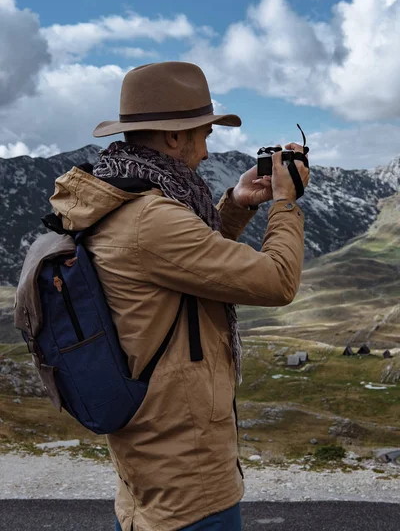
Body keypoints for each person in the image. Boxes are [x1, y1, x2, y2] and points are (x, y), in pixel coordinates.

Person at [49, 62, 309, 531]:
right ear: (173, 137)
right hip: (189, 482)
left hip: (149, 463)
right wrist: (287, 203)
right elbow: (277, 280)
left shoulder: (121, 196)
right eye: (203, 134)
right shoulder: (152, 217)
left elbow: (188, 265)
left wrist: (237, 203)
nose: (207, 151)